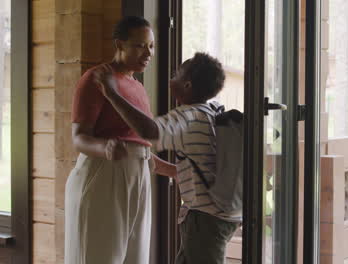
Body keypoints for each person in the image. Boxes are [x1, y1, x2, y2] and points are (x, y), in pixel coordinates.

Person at [94, 52, 241, 264]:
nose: (171, 78)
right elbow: (193, 161)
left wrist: (111, 92)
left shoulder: (188, 116)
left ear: (187, 85)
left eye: (176, 74)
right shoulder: (212, 112)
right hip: (223, 214)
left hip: (205, 218)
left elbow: (149, 130)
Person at [65, 16, 176, 264]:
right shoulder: (96, 79)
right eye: (139, 45)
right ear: (120, 44)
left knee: (135, 259)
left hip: (139, 178)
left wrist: (176, 172)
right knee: (100, 256)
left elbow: (140, 148)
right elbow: (79, 138)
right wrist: (104, 147)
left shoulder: (137, 87)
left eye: (151, 46)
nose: (148, 53)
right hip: (105, 174)